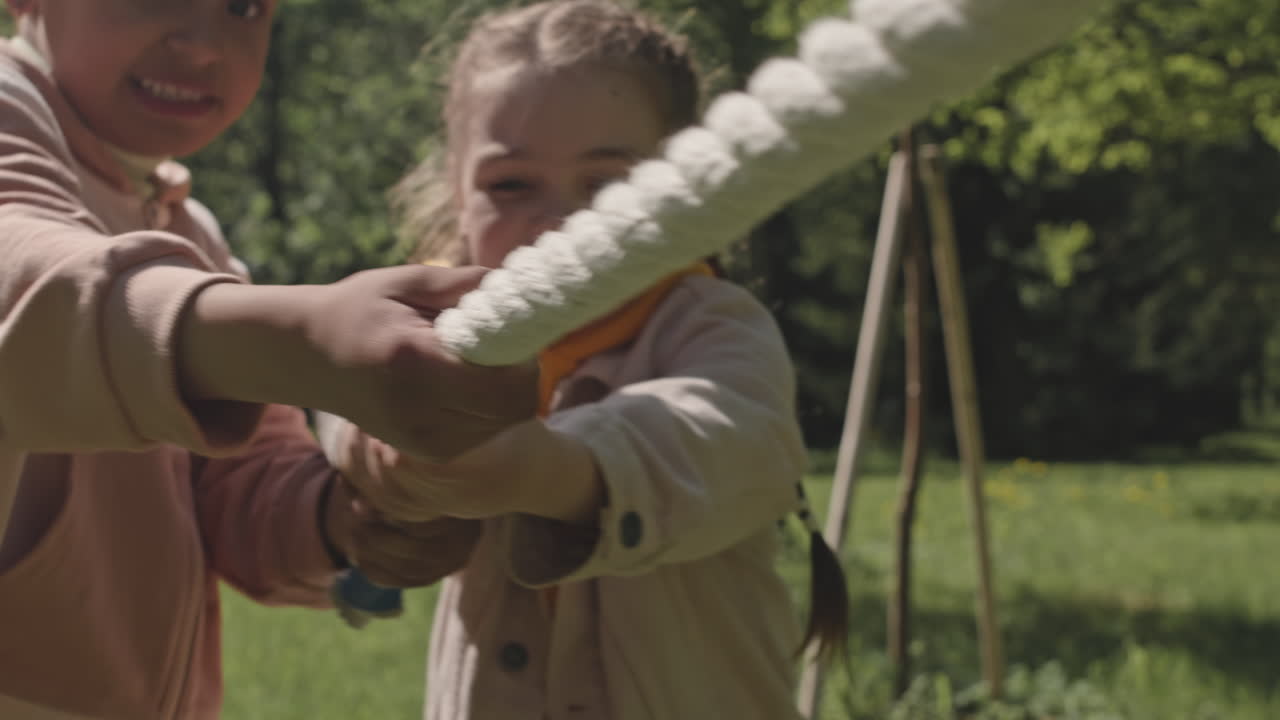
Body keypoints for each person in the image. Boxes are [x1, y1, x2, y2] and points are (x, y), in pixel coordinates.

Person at [0, 1, 535, 718]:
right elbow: (22, 276)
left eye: (244, 8)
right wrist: (294, 339)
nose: (201, 47)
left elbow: (240, 481)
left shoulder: (188, 228)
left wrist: (346, 518)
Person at [321, 2, 850, 718]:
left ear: (681, 189)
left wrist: (547, 471)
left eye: (608, 185)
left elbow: (726, 440)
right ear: (456, 191)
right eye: (511, 185)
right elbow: (342, 392)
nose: (557, 223)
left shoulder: (713, 326)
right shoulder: (443, 330)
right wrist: (373, 454)